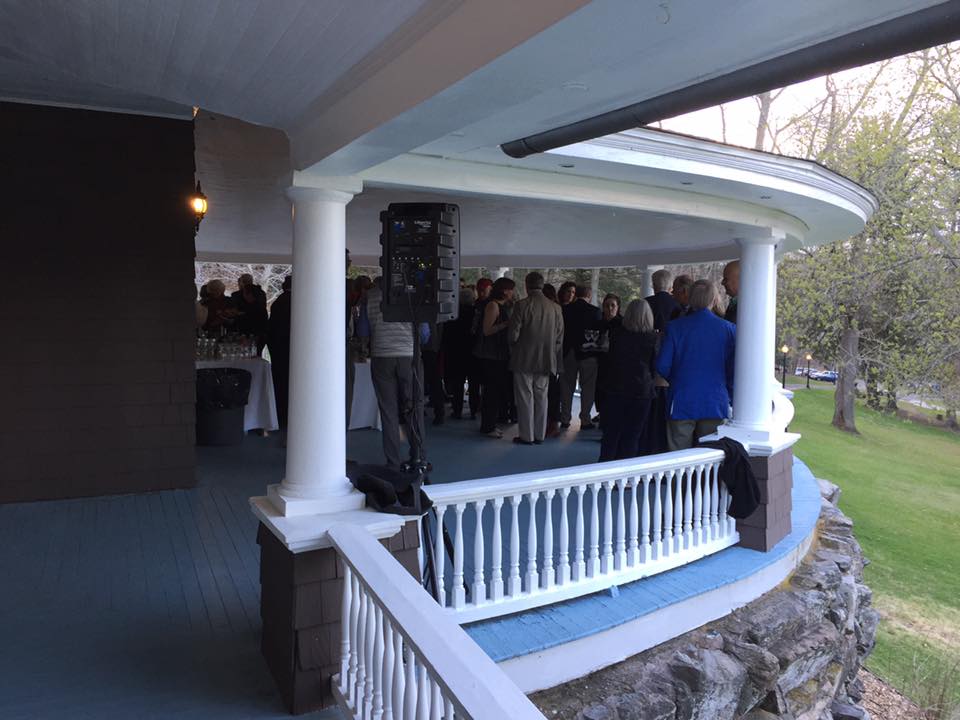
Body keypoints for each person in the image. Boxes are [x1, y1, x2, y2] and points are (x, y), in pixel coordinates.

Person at [656, 280, 736, 450]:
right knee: (711, 455)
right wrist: (727, 390)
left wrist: (678, 380)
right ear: (714, 299)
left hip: (682, 399)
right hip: (715, 400)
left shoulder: (675, 327)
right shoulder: (729, 329)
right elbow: (733, 369)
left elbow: (662, 365)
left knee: (678, 456)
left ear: (691, 299)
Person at [359, 280, 430, 469]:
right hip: (409, 357)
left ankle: (393, 462)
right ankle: (419, 457)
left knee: (388, 411)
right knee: (414, 407)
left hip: (381, 356)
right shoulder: (413, 294)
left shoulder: (370, 296)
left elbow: (363, 330)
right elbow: (424, 335)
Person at [508, 272, 564, 444]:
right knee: (542, 396)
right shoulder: (555, 308)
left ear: (526, 285)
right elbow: (559, 337)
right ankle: (540, 435)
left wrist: (514, 347)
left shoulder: (521, 305)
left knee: (525, 397)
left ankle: (527, 436)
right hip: (546, 359)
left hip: (523, 358)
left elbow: (513, 335)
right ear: (542, 284)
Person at [598, 300, 658, 461]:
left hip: (616, 388)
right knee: (632, 435)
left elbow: (609, 360)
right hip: (641, 391)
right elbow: (654, 366)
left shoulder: (616, 335)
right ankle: (626, 471)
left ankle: (604, 467)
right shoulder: (653, 338)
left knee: (611, 434)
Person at [474, 277, 515, 438]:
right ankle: (487, 426)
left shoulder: (502, 305)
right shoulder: (493, 305)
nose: (512, 293)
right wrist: (506, 324)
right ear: (504, 290)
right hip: (492, 355)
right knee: (492, 392)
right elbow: (487, 330)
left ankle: (490, 423)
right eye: (511, 289)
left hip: (499, 354)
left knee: (496, 391)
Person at [560, 285, 602, 429]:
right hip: (588, 353)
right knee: (588, 388)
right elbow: (598, 333)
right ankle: (585, 419)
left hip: (568, 352)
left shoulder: (566, 309)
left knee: (566, 387)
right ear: (589, 296)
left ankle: (565, 418)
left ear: (576, 294)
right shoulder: (595, 311)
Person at [442, 288, 479, 420]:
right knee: (474, 384)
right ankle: (474, 409)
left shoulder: (453, 315)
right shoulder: (476, 313)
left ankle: (457, 410)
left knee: (458, 383)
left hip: (456, 353)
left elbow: (446, 335)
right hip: (473, 353)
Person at [268, 276, 292, 432]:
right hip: (290, 347)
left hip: (278, 347)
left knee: (280, 380)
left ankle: (280, 412)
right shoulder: (297, 302)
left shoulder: (279, 301)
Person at [594, 293, 622, 423]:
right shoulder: (598, 324)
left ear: (618, 307)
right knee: (600, 389)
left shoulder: (622, 324)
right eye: (606, 305)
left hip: (615, 363)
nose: (610, 308)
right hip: (600, 361)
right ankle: (602, 413)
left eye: (613, 305)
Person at [644, 268, 681, 334]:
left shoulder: (645, 302)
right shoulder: (677, 302)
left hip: (649, 337)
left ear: (654, 285)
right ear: (670, 285)